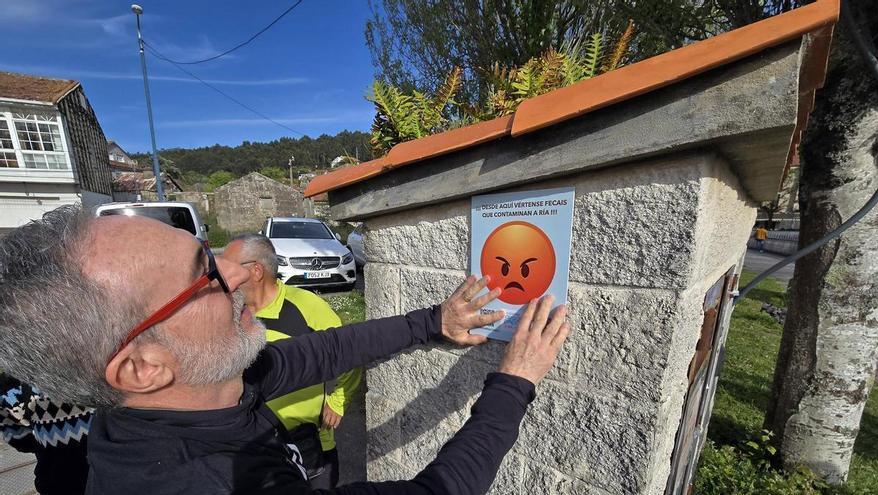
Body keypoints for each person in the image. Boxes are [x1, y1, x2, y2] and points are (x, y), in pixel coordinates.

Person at [0, 206, 570, 494]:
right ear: (142, 367)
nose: (237, 273)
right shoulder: (211, 483)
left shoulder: (191, 392)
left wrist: (432, 321)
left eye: (208, 253)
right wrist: (514, 381)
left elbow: (323, 351)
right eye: (203, 275)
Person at [221, 233, 360, 488]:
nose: (221, 278)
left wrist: (338, 401)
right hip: (249, 445)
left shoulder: (306, 307)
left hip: (309, 446)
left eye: (227, 269)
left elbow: (349, 352)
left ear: (256, 271)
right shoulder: (227, 312)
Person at [0, 372, 93, 495]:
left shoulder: (19, 378)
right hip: (111, 475)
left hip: (58, 479)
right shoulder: (103, 368)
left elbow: (15, 433)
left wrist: (43, 443)